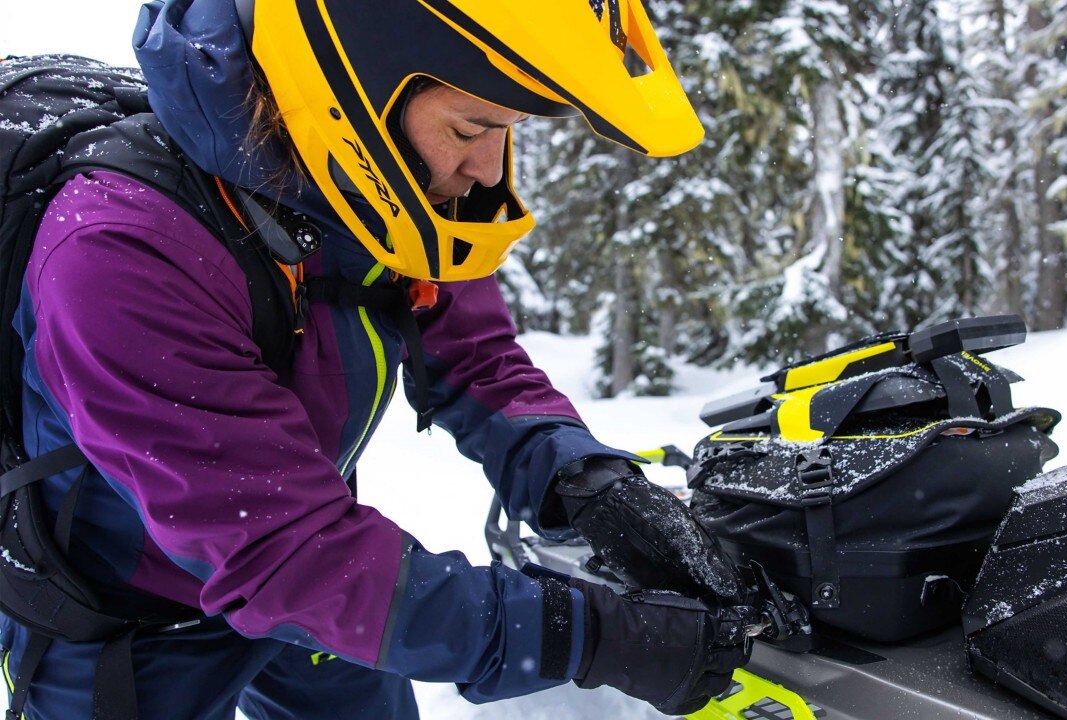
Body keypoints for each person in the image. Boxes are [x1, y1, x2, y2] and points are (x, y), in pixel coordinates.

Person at [0, 0, 753, 717]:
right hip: (129, 620)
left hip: (325, 571)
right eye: (470, 128)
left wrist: (582, 480)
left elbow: (475, 355)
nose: (490, 168)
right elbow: (283, 557)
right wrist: (584, 635)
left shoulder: (374, 190)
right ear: (354, 91)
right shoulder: (120, 254)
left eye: (508, 130)